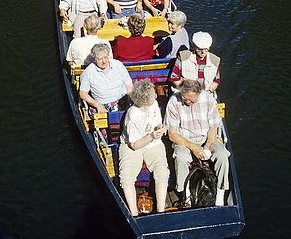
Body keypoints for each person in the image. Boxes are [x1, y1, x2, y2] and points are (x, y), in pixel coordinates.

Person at [164, 79, 230, 206]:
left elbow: (213, 128)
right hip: (184, 139)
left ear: (198, 95)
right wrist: (193, 147)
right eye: (185, 98)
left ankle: (221, 192)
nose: (187, 102)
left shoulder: (209, 100)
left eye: (191, 100)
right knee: (181, 157)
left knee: (222, 155)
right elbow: (172, 135)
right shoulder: (174, 101)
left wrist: (207, 146)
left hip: (205, 137)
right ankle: (185, 195)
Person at [119, 79, 169, 216]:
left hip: (152, 144)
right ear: (145, 101)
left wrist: (160, 128)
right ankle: (134, 214)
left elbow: (157, 122)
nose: (156, 96)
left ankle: (161, 212)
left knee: (162, 172)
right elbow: (134, 145)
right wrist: (152, 136)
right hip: (133, 145)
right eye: (153, 94)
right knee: (126, 176)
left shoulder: (154, 105)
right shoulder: (133, 115)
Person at [79, 43, 133, 112]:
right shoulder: (88, 71)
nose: (104, 61)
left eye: (105, 57)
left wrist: (129, 102)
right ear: (94, 59)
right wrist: (97, 105)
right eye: (100, 59)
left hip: (122, 101)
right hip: (102, 105)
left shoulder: (118, 65)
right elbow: (83, 94)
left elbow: (129, 85)